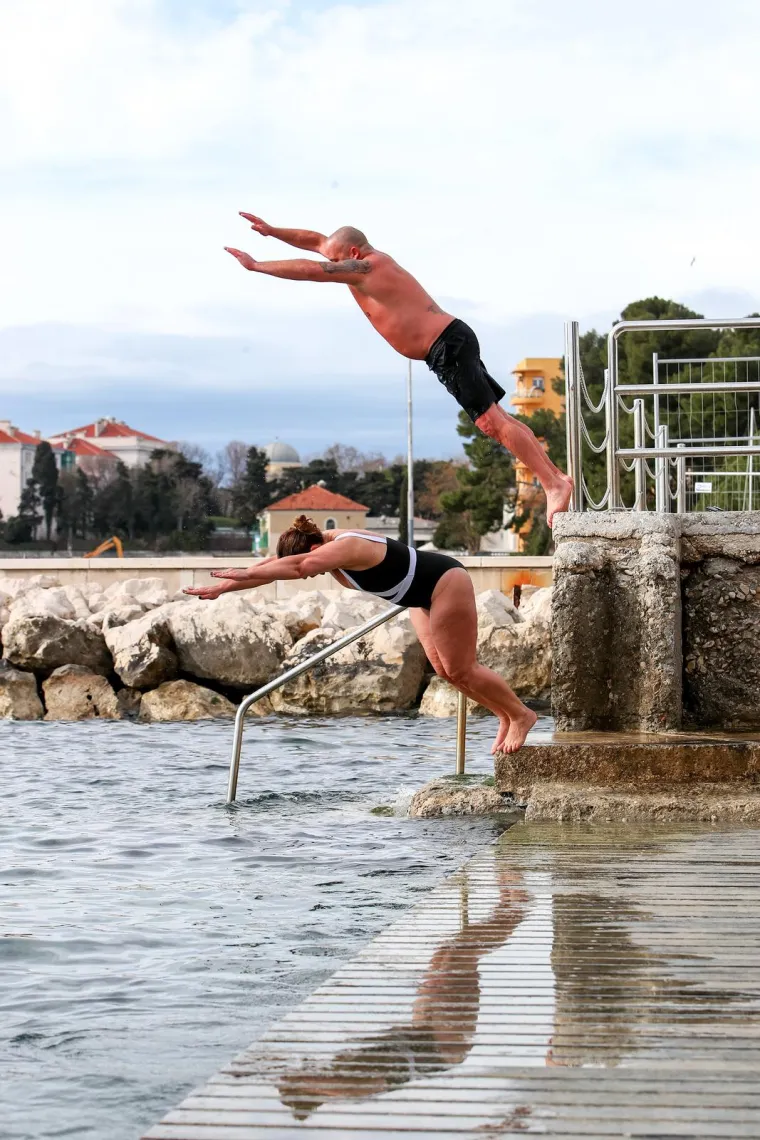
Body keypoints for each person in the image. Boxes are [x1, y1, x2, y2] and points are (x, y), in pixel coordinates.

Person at [224, 212, 573, 526]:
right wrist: (272, 231)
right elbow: (316, 242)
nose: (331, 261)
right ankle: (556, 477)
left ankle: (552, 483)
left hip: (446, 346)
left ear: (354, 255)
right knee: (500, 418)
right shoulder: (357, 255)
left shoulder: (367, 267)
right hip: (452, 339)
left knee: (490, 422)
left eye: (337, 259)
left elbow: (318, 269)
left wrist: (258, 266)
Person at [184, 515, 537, 754]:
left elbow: (297, 567)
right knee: (445, 671)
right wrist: (223, 588)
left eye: (308, 566)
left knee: (462, 668)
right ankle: (504, 714)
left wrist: (241, 575)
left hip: (444, 583)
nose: (309, 575)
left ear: (313, 549)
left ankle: (521, 715)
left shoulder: (347, 545)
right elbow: (270, 569)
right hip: (417, 597)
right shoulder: (319, 552)